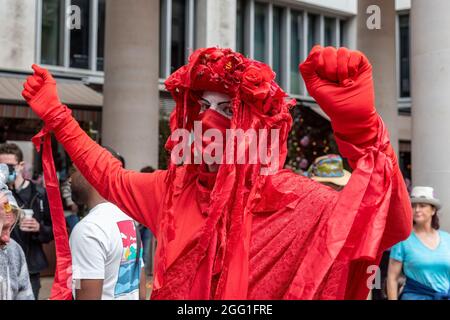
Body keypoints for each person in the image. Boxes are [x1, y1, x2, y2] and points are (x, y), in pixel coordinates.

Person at [21, 46, 412, 299]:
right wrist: (58, 115)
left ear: (259, 125)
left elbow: (388, 223)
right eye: (203, 105)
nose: (207, 120)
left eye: (227, 110)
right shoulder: (174, 191)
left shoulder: (300, 202)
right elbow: (108, 175)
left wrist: (360, 130)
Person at [69, 150, 146, 300]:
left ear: (93, 174)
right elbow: (141, 292)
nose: (69, 179)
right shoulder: (128, 220)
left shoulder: (89, 229)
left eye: (74, 170)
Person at [0, 143, 53, 299]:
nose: (4, 171)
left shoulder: (39, 194)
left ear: (20, 165)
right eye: (0, 167)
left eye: (9, 166)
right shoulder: (3, 195)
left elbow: (53, 232)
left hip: (30, 267)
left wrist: (39, 228)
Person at [387, 186, 450, 300]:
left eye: (422, 205)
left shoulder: (447, 239)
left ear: (433, 210)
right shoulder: (403, 239)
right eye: (413, 206)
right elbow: (392, 278)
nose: (416, 210)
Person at [0, 192, 35, 300]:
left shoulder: (14, 249)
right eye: (3, 228)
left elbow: (25, 295)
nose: (7, 239)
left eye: (10, 228)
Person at [139, 166, 155, 276]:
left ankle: (142, 276)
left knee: (145, 251)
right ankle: (140, 275)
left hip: (147, 224)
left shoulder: (154, 190)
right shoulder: (138, 189)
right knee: (138, 250)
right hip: (139, 223)